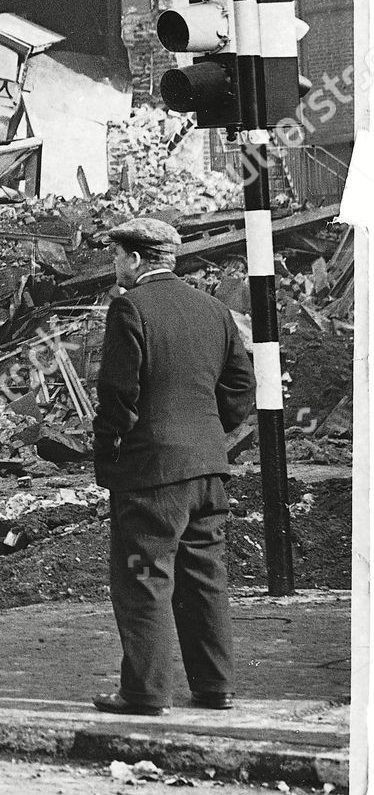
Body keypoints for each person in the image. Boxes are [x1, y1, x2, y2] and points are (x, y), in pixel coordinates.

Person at [91, 216, 256, 716]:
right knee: (205, 579)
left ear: (136, 258)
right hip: (208, 468)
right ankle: (215, 687)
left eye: (117, 254)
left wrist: (109, 453)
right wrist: (205, 431)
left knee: (144, 577)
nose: (113, 264)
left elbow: (119, 393)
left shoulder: (129, 309)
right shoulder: (214, 309)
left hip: (150, 472)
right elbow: (241, 390)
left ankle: (143, 693)